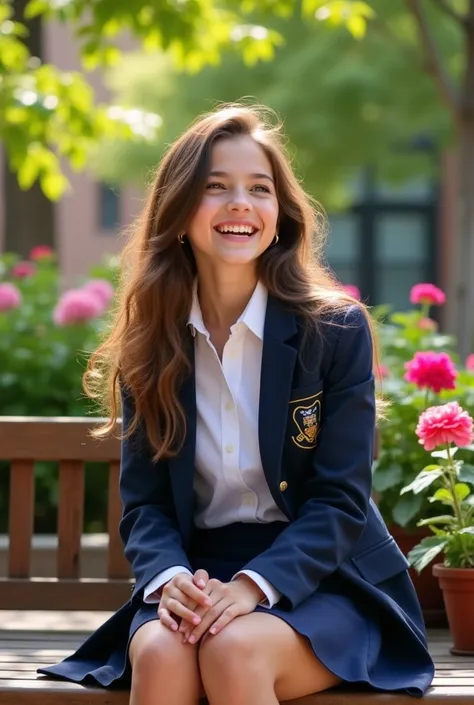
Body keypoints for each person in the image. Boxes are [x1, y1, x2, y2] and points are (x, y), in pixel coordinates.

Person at [38, 104, 434, 704]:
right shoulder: (153, 338)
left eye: (259, 188)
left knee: (233, 648)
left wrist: (255, 586)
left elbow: (340, 500)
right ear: (177, 214)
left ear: (281, 215)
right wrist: (169, 582)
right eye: (215, 188)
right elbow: (145, 505)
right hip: (196, 575)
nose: (240, 203)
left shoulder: (333, 329)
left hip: (326, 578)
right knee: (163, 653)